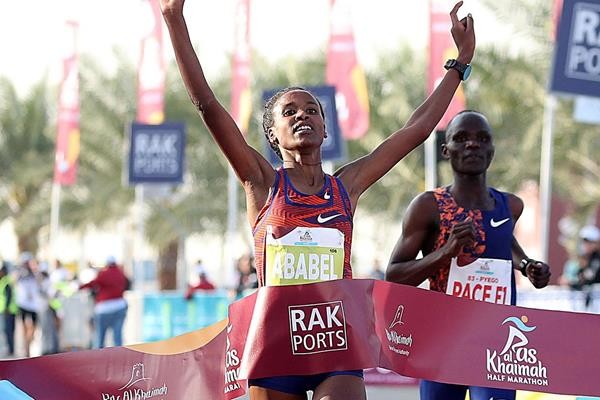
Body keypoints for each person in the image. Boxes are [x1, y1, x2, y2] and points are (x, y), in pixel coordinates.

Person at [160, 0, 475, 397]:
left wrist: (460, 62)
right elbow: (207, 105)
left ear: (326, 129)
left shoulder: (347, 187)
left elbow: (418, 128)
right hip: (275, 342)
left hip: (335, 339)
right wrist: (173, 18)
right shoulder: (262, 183)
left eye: (311, 110)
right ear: (272, 135)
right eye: (289, 112)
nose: (301, 115)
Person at [386, 110, 552, 400]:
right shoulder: (428, 206)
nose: (472, 144)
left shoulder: (510, 206)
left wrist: (528, 266)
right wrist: (445, 253)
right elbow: (394, 275)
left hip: (497, 343)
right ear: (445, 150)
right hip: (442, 343)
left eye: (482, 139)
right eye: (461, 138)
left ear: (492, 150)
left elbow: (503, 242)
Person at [79, 256, 129, 348]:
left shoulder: (104, 274)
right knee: (117, 337)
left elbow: (93, 284)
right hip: (120, 306)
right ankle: (120, 355)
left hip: (104, 308)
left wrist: (80, 287)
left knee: (100, 337)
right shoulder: (121, 273)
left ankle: (99, 355)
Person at [14, 252, 42, 358]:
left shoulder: (35, 273)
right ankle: (26, 349)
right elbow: (14, 280)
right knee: (24, 327)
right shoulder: (19, 273)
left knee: (33, 328)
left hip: (34, 306)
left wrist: (35, 270)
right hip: (22, 304)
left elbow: (40, 282)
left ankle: (28, 344)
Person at [0, 263, 17, 357]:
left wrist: (6, 308)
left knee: (8, 330)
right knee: (8, 330)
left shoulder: (6, 281)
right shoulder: (5, 280)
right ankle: (10, 349)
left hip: (7, 311)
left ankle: (10, 349)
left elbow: (8, 296)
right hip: (8, 310)